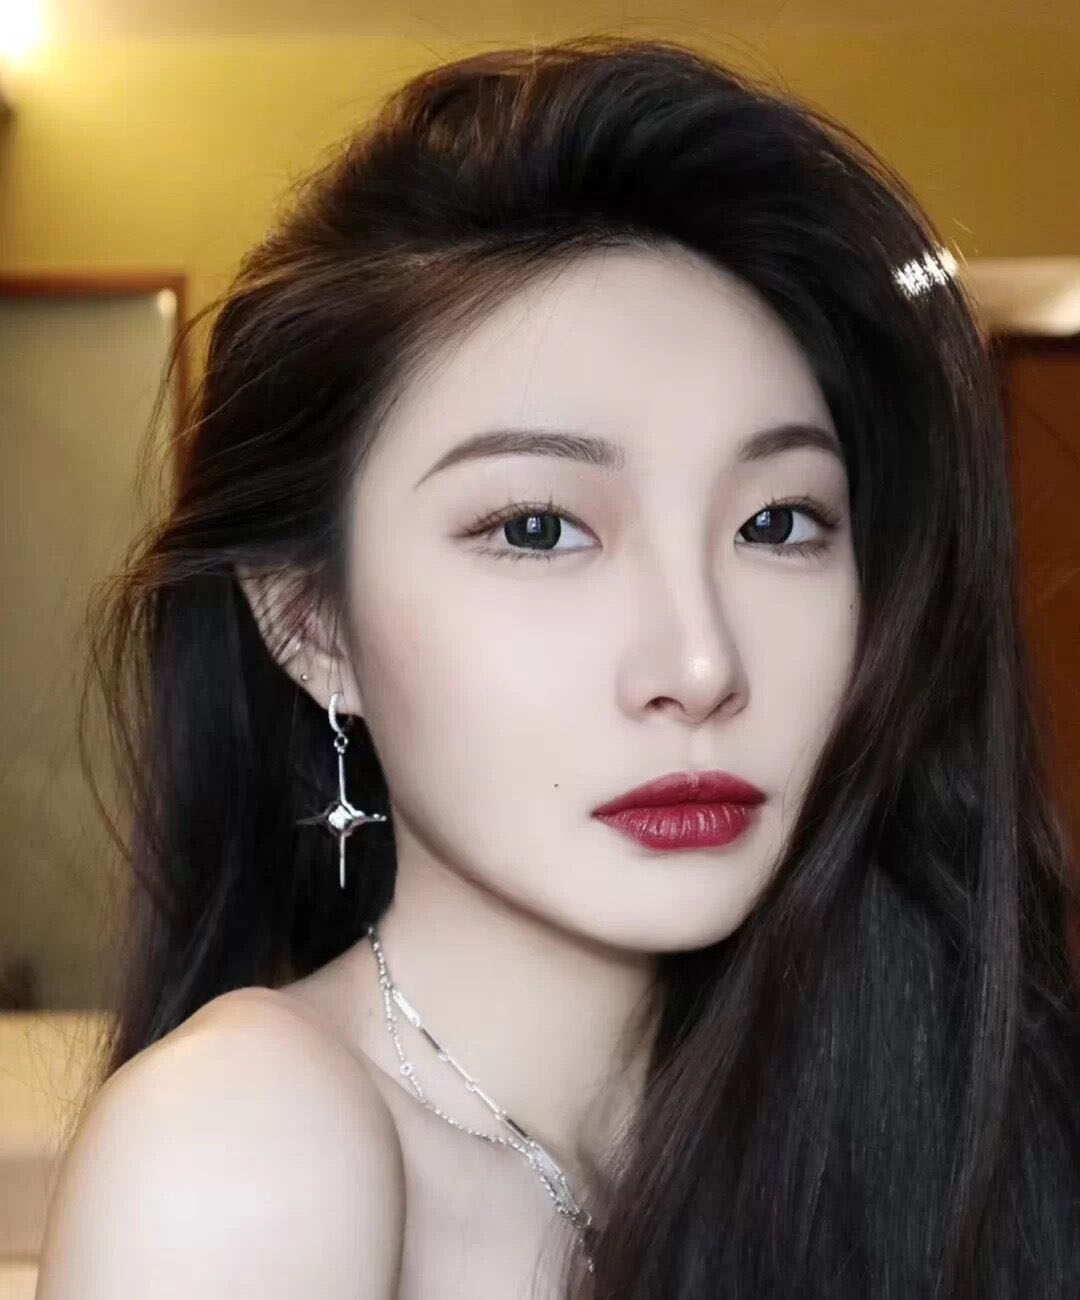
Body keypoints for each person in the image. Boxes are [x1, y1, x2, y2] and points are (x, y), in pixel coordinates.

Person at [35, 35, 1080, 1300]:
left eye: (778, 522)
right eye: (537, 528)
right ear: (313, 622)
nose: (700, 663)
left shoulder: (898, 1113)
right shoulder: (244, 1145)